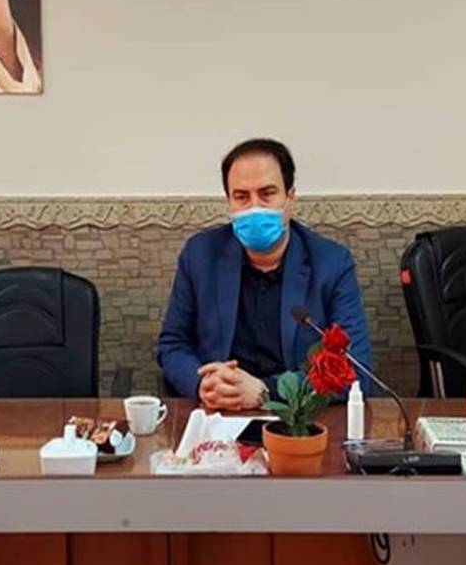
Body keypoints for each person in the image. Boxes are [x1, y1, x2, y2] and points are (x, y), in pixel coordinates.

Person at [157, 139, 376, 410]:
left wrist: (266, 391)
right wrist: (203, 383)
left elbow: (356, 368)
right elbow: (173, 344)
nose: (255, 207)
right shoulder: (199, 255)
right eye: (241, 197)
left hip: (298, 420)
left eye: (267, 193)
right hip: (218, 414)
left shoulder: (331, 263)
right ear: (229, 202)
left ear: (290, 197)